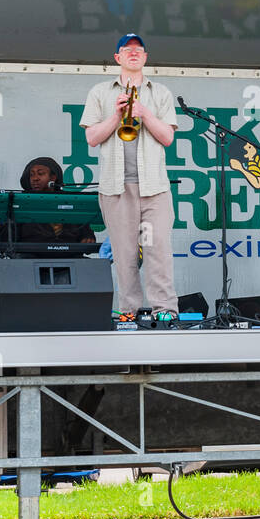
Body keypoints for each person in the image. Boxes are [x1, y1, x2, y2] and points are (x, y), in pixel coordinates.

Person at [80, 33, 179, 318]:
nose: (133, 53)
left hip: (154, 188)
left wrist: (144, 113)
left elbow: (167, 138)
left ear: (146, 58)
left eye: (139, 50)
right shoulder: (100, 92)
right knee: (124, 255)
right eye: (127, 50)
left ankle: (165, 311)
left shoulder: (160, 93)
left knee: (157, 249)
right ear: (118, 58)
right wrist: (116, 115)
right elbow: (92, 137)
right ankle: (129, 312)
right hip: (116, 188)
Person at [0, 156, 96, 243]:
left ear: (53, 177)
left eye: (40, 173)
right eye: (31, 175)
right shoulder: (21, 202)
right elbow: (8, 242)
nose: (35, 178)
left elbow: (85, 232)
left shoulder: (71, 200)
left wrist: (88, 237)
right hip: (29, 258)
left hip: (72, 257)